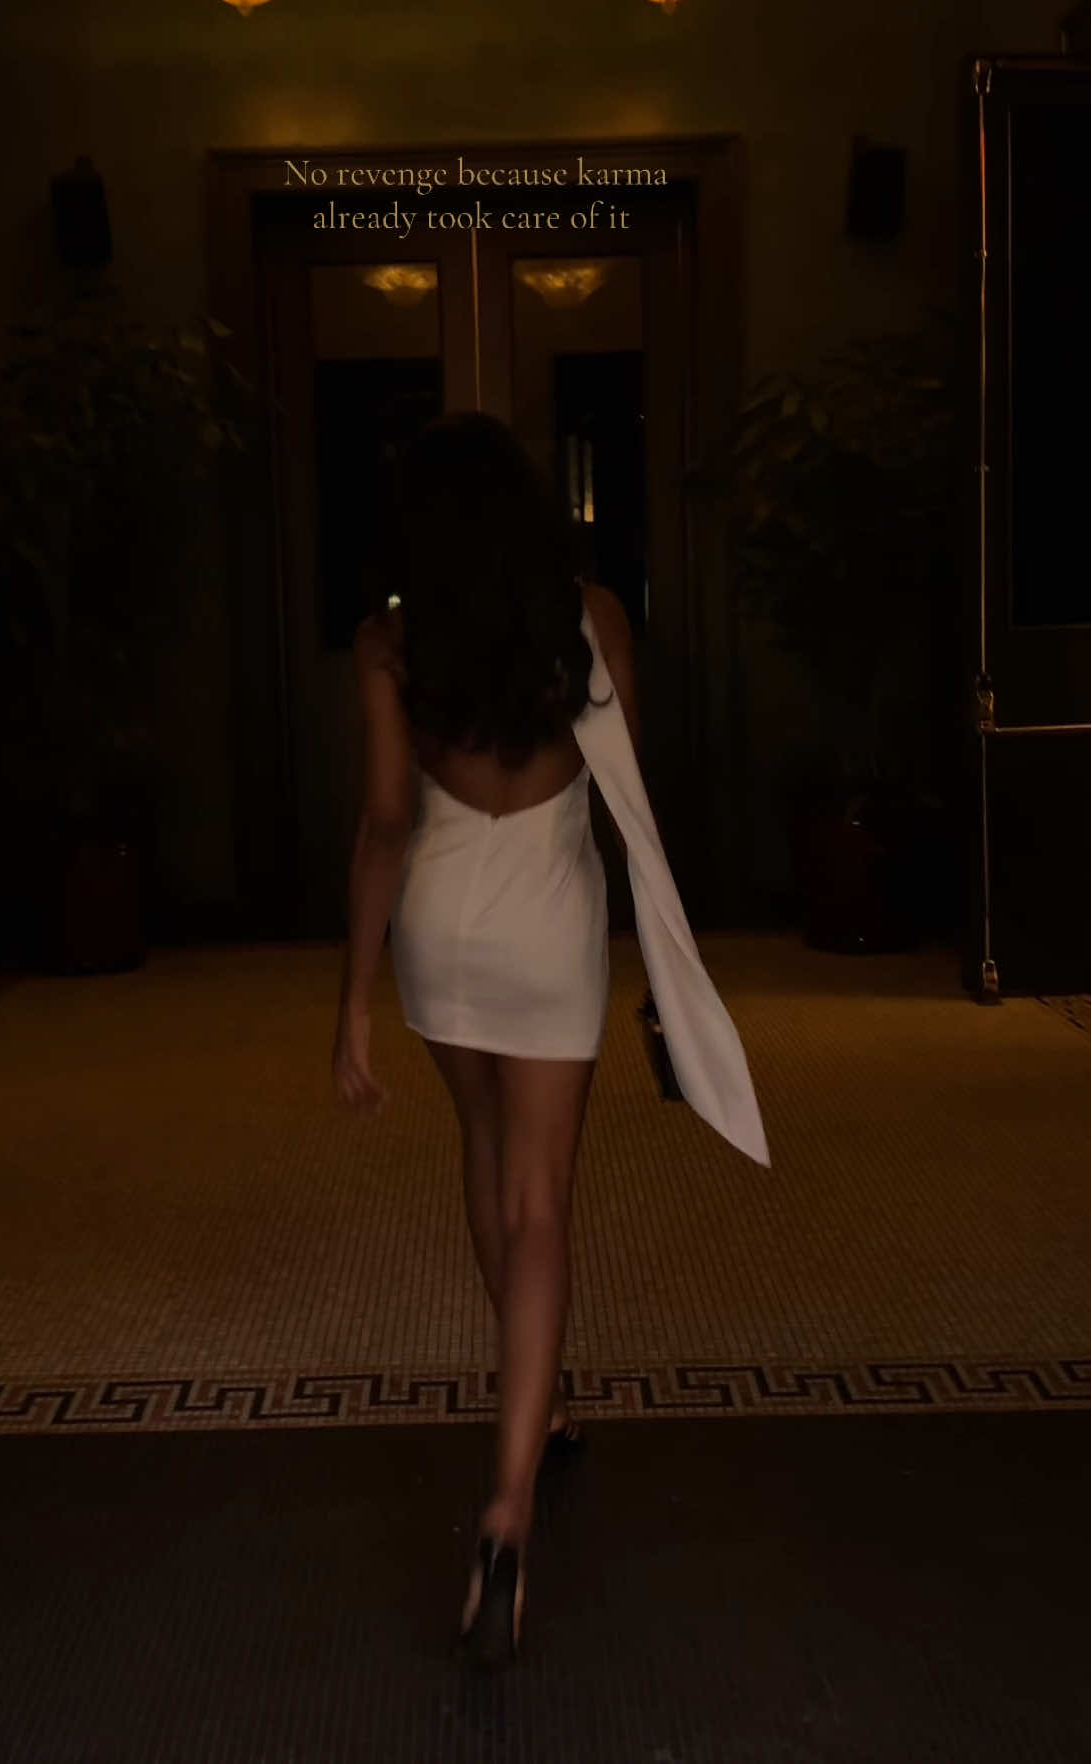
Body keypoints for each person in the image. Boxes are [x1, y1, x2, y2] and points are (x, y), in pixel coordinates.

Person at [331, 411, 766, 1672]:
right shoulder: (591, 617)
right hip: (548, 921)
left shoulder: (389, 643)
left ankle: (545, 1400)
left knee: (483, 1151)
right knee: (541, 1203)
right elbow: (625, 790)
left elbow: (384, 821)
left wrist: (352, 999)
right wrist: (664, 961)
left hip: (439, 923)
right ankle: (511, 1502)